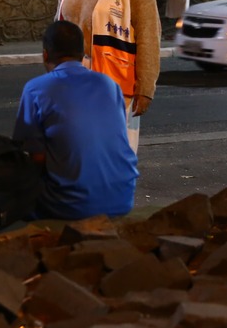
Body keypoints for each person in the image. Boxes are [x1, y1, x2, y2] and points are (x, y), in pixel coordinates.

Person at [56, 0, 160, 153]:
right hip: (74, 83)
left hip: (116, 87)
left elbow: (148, 35)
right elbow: (57, 28)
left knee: (113, 158)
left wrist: (145, 88)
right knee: (77, 155)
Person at [12, 21, 138, 220]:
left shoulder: (36, 89)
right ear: (83, 53)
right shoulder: (109, 85)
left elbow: (36, 157)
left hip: (72, 206)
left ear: (45, 55)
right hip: (123, 198)